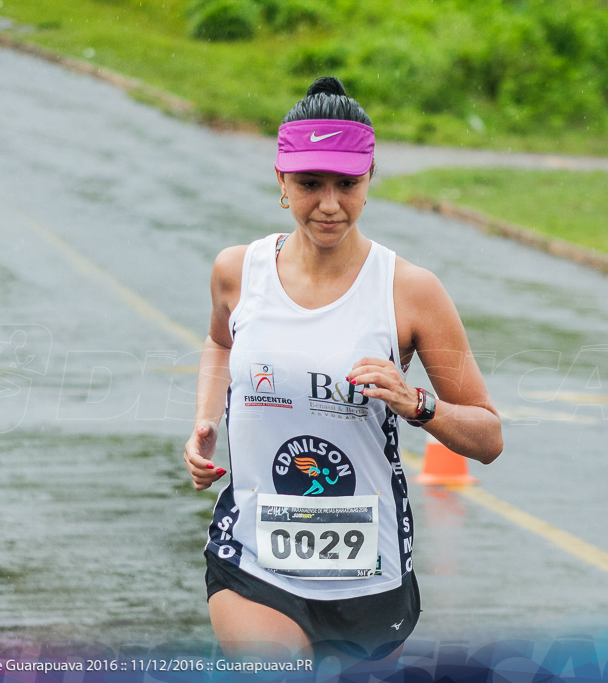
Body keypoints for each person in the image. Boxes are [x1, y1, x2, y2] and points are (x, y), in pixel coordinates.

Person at [182, 76, 503, 663]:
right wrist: (205, 420)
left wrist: (417, 403)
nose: (329, 205)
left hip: (369, 576)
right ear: (281, 180)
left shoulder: (410, 291)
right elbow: (218, 343)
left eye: (347, 185)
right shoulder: (237, 272)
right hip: (252, 556)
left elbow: (487, 437)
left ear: (370, 178)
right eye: (309, 184)